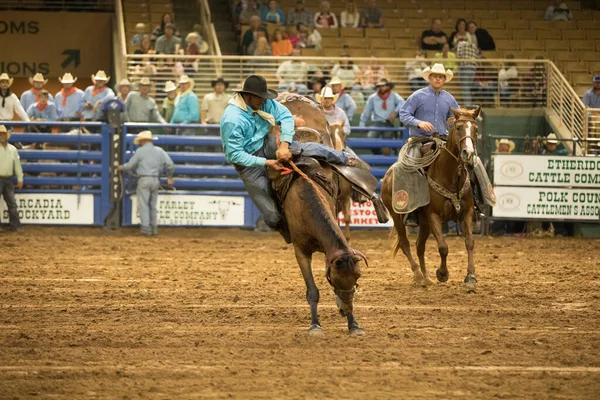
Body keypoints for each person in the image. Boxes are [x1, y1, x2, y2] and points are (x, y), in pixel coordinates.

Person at [219, 74, 369, 243]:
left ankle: (344, 158)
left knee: (300, 147)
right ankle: (290, 228)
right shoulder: (232, 119)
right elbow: (234, 155)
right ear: (248, 96)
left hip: (265, 143)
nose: (264, 101)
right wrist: (267, 162)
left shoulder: (263, 102)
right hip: (249, 165)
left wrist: (283, 145)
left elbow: (285, 115)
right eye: (260, 98)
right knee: (272, 217)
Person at [118, 130, 175, 236]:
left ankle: (145, 229)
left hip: (144, 179)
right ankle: (154, 229)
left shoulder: (140, 151)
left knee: (144, 204)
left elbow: (130, 165)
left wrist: (121, 167)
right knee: (152, 205)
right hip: (155, 180)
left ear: (143, 141)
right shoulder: (160, 151)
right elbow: (170, 165)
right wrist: (169, 176)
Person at [360, 78, 405, 155]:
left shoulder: (394, 96)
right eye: (380, 86)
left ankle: (386, 155)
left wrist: (395, 111)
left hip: (388, 123)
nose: (382, 88)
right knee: (370, 138)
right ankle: (378, 152)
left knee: (387, 141)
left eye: (383, 86)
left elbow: (403, 103)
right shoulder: (372, 98)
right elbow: (366, 112)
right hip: (376, 123)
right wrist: (362, 125)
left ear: (388, 86)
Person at [0, 125, 23, 232]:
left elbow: (17, 165)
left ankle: (15, 225)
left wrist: (20, 178)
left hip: (8, 179)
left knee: (12, 203)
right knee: (11, 203)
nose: (1, 136)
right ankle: (15, 225)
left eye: (3, 134)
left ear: (6, 135)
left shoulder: (13, 149)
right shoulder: (12, 149)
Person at [456, 37, 480, 108]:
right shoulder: (474, 46)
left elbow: (458, 56)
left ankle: (468, 105)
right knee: (468, 87)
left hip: (465, 67)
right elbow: (477, 56)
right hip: (473, 68)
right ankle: (469, 103)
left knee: (465, 87)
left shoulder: (460, 44)